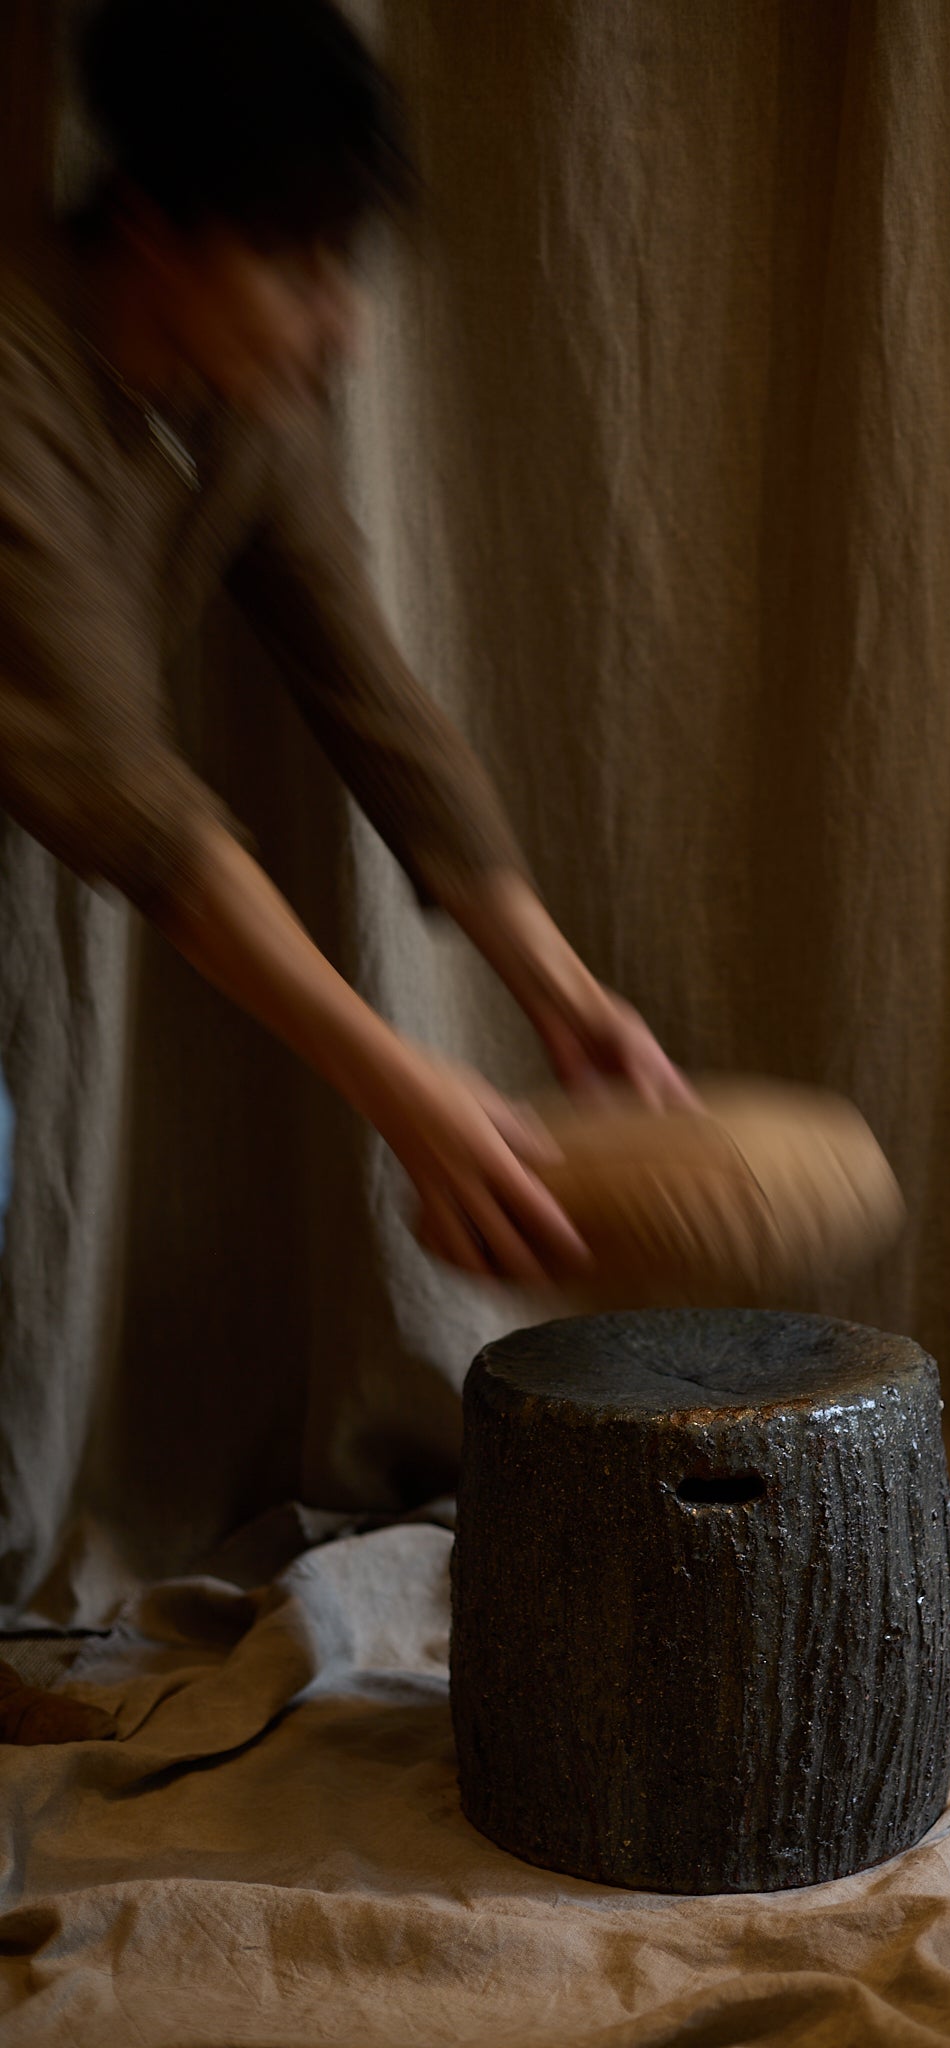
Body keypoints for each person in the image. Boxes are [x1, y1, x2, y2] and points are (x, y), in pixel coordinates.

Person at [0, 0, 694, 1287]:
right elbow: (139, 807)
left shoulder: (232, 403)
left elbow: (373, 699)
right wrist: (403, 1089)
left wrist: (563, 990)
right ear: (155, 232)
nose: (343, 324)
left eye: (345, 263)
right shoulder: (15, 395)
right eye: (298, 263)